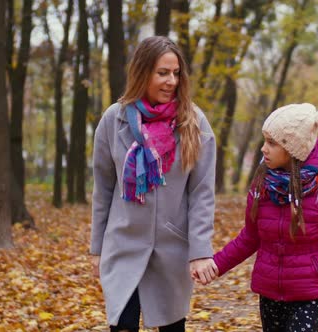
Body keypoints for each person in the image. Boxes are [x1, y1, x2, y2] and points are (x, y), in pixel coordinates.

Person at [200, 103, 318, 331]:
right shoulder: (262, 185)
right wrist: (216, 265)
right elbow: (250, 238)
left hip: (308, 294)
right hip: (269, 293)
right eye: (264, 141)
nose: (263, 149)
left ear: (293, 148)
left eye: (271, 143)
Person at [89, 36, 218, 332]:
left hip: (172, 247)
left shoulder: (193, 123)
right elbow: (103, 189)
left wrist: (200, 251)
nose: (171, 81)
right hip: (122, 242)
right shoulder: (114, 120)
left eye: (176, 73)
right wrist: (97, 247)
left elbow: (201, 194)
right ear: (143, 72)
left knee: (172, 328)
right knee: (122, 324)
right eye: (162, 73)